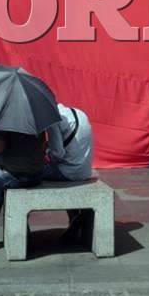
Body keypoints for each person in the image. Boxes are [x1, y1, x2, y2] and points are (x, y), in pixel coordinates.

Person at [44, 103, 94, 242]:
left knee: (30, 173)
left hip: (67, 172)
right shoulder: (79, 112)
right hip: (85, 170)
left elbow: (58, 154)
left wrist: (47, 151)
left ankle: (23, 227)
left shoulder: (52, 120)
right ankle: (75, 219)